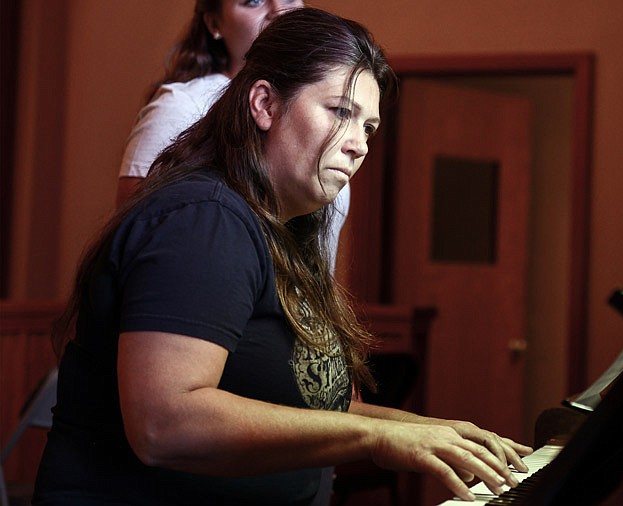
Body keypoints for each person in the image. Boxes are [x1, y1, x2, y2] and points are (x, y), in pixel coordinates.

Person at [33, 8, 533, 506]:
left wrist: (430, 432)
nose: (358, 145)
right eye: (341, 112)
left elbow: (300, 404)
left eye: (370, 127)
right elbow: (165, 423)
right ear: (265, 104)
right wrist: (380, 439)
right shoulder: (204, 220)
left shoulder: (287, 227)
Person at [117, 0, 348, 270]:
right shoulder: (183, 106)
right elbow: (134, 239)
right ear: (215, 24)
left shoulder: (323, 109)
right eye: (253, 1)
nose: (278, 10)